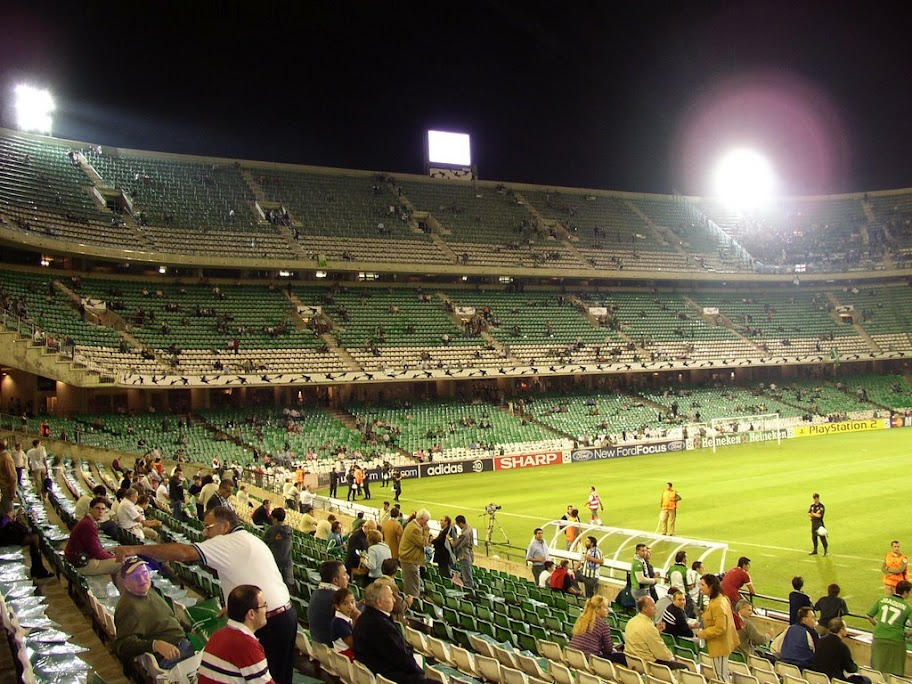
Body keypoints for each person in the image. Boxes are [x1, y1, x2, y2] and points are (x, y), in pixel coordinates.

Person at [114, 507, 296, 684]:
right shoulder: (246, 539)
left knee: (270, 676)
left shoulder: (230, 542)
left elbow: (185, 553)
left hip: (270, 621)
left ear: (224, 526)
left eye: (208, 528)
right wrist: (235, 607)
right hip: (277, 616)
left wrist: (135, 549)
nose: (204, 533)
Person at [112, 558, 194, 668]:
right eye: (135, 577)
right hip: (172, 656)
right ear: (125, 582)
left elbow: (169, 618)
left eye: (144, 573)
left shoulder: (149, 590)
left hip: (185, 642)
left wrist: (190, 629)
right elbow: (123, 646)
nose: (142, 579)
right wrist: (155, 645)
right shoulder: (128, 607)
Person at [353, 580, 430, 684]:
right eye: (390, 596)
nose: (394, 600)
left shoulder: (364, 617)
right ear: (379, 602)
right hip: (389, 676)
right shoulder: (381, 625)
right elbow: (401, 658)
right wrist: (420, 673)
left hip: (377, 671)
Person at [198, 584, 274, 684]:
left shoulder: (218, 635)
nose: (267, 610)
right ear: (251, 614)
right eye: (264, 605)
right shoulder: (246, 645)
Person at [696, 573, 740, 680]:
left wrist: (702, 633)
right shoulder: (719, 599)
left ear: (710, 586)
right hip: (720, 644)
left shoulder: (718, 604)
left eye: (702, 585)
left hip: (719, 645)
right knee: (721, 675)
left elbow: (720, 628)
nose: (700, 588)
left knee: (720, 676)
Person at [624, 596, 687, 669]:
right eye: (652, 605)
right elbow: (661, 653)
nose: (655, 607)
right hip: (647, 664)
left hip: (632, 661)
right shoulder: (648, 627)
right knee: (684, 667)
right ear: (644, 609)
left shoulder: (631, 621)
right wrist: (672, 658)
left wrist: (656, 632)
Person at [65, 497, 121, 576]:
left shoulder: (88, 521)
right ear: (91, 509)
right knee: (122, 563)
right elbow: (96, 552)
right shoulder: (88, 525)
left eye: (103, 509)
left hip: (79, 559)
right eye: (97, 508)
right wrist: (113, 557)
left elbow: (95, 548)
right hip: (81, 564)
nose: (100, 511)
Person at [866, 579, 912, 675]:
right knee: (895, 672)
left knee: (876, 670)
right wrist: (908, 633)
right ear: (905, 592)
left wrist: (878, 625)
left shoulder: (882, 599)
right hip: (896, 641)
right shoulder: (908, 607)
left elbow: (869, 616)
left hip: (878, 638)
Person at [309, 561, 358, 645]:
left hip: (317, 644)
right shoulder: (338, 598)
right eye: (345, 574)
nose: (348, 577)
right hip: (333, 649)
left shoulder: (316, 592)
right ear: (335, 580)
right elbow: (359, 617)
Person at [569, 595, 627, 664]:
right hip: (588, 658)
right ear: (597, 610)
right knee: (621, 657)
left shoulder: (581, 619)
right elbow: (608, 650)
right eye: (605, 607)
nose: (608, 610)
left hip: (573, 654)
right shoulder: (603, 625)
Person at [813, 619, 871, 684]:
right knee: (866, 680)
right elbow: (850, 669)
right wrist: (855, 665)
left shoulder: (821, 641)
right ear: (841, 630)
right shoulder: (842, 647)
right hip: (835, 679)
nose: (846, 630)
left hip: (820, 677)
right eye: (845, 628)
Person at [399, 508, 430, 598]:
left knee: (412, 585)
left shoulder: (412, 525)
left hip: (409, 559)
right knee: (412, 588)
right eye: (426, 520)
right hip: (410, 560)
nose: (427, 523)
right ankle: (412, 606)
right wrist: (426, 531)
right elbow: (423, 543)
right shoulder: (414, 529)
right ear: (421, 519)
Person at [721, 556, 755, 628]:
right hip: (731, 595)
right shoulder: (744, 574)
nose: (749, 567)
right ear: (744, 565)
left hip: (722, 593)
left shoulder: (733, 570)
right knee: (741, 609)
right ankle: (742, 627)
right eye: (748, 565)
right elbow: (752, 591)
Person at [264, 508, 293, 587]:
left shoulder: (271, 530)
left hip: (274, 562)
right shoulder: (289, 530)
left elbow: (263, 543)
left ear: (275, 519)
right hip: (287, 564)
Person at [331, 588, 358, 661]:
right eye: (345, 604)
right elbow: (353, 645)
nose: (350, 606)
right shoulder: (339, 623)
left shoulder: (344, 619)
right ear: (337, 607)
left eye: (352, 602)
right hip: (346, 656)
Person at [452, 515, 475, 589]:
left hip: (465, 556)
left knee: (467, 578)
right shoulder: (469, 528)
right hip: (469, 554)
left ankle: (469, 593)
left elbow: (455, 545)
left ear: (461, 523)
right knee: (467, 576)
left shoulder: (464, 533)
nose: (458, 526)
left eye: (458, 524)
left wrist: (450, 539)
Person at [0, 439, 16, 516]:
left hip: (7, 490)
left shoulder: (6, 458)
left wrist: (12, 492)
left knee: (9, 514)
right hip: (3, 489)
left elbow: (12, 477)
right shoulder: (2, 456)